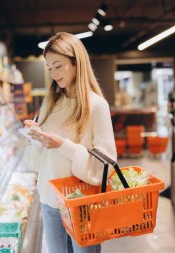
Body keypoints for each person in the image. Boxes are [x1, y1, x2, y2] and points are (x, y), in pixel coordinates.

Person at [23, 32, 116, 253]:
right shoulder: (50, 103)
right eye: (49, 68)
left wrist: (63, 145)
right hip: (49, 201)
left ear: (77, 63)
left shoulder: (96, 106)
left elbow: (107, 165)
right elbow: (35, 163)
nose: (54, 74)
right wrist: (35, 137)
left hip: (82, 205)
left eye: (59, 66)